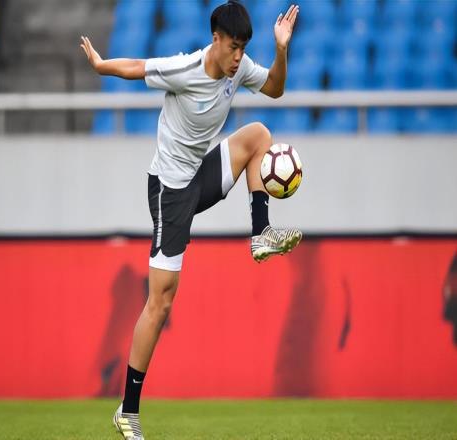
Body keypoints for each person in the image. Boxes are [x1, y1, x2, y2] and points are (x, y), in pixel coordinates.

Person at [81, 1, 300, 438]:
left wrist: (281, 49)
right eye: (233, 47)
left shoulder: (240, 68)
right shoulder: (185, 69)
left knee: (259, 134)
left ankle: (260, 234)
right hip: (169, 192)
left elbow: (276, 89)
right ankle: (127, 411)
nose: (238, 57)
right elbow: (138, 67)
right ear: (216, 39)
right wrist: (102, 65)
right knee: (160, 302)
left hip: (199, 174)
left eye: (243, 49)